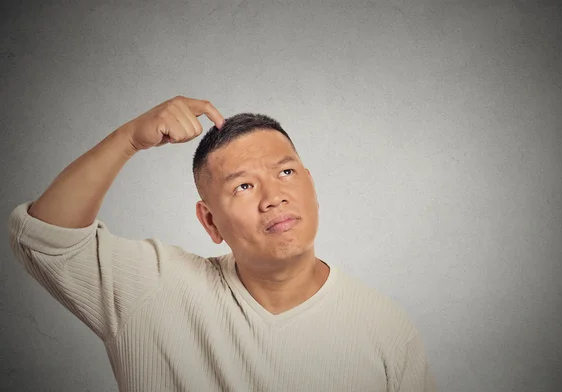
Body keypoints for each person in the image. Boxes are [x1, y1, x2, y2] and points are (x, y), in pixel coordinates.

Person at [8, 96, 436, 392]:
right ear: (210, 222)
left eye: (286, 173)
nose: (274, 198)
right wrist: (129, 140)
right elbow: (47, 239)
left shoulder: (386, 332)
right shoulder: (155, 291)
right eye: (245, 186)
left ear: (312, 187)